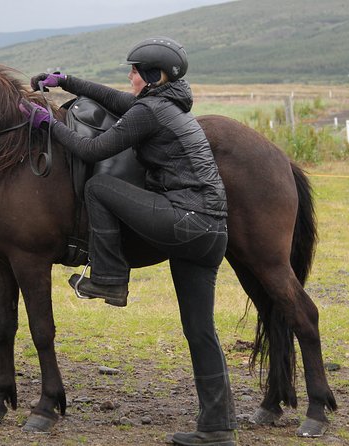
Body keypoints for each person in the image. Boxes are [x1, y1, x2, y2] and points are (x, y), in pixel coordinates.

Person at [19, 36, 237, 446]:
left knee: (99, 188)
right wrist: (70, 81)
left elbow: (91, 149)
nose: (130, 77)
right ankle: (217, 429)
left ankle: (109, 276)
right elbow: (117, 100)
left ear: (154, 77)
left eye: (136, 71)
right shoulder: (165, 106)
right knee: (200, 331)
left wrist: (48, 125)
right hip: (212, 232)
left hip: (186, 221)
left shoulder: (151, 112)